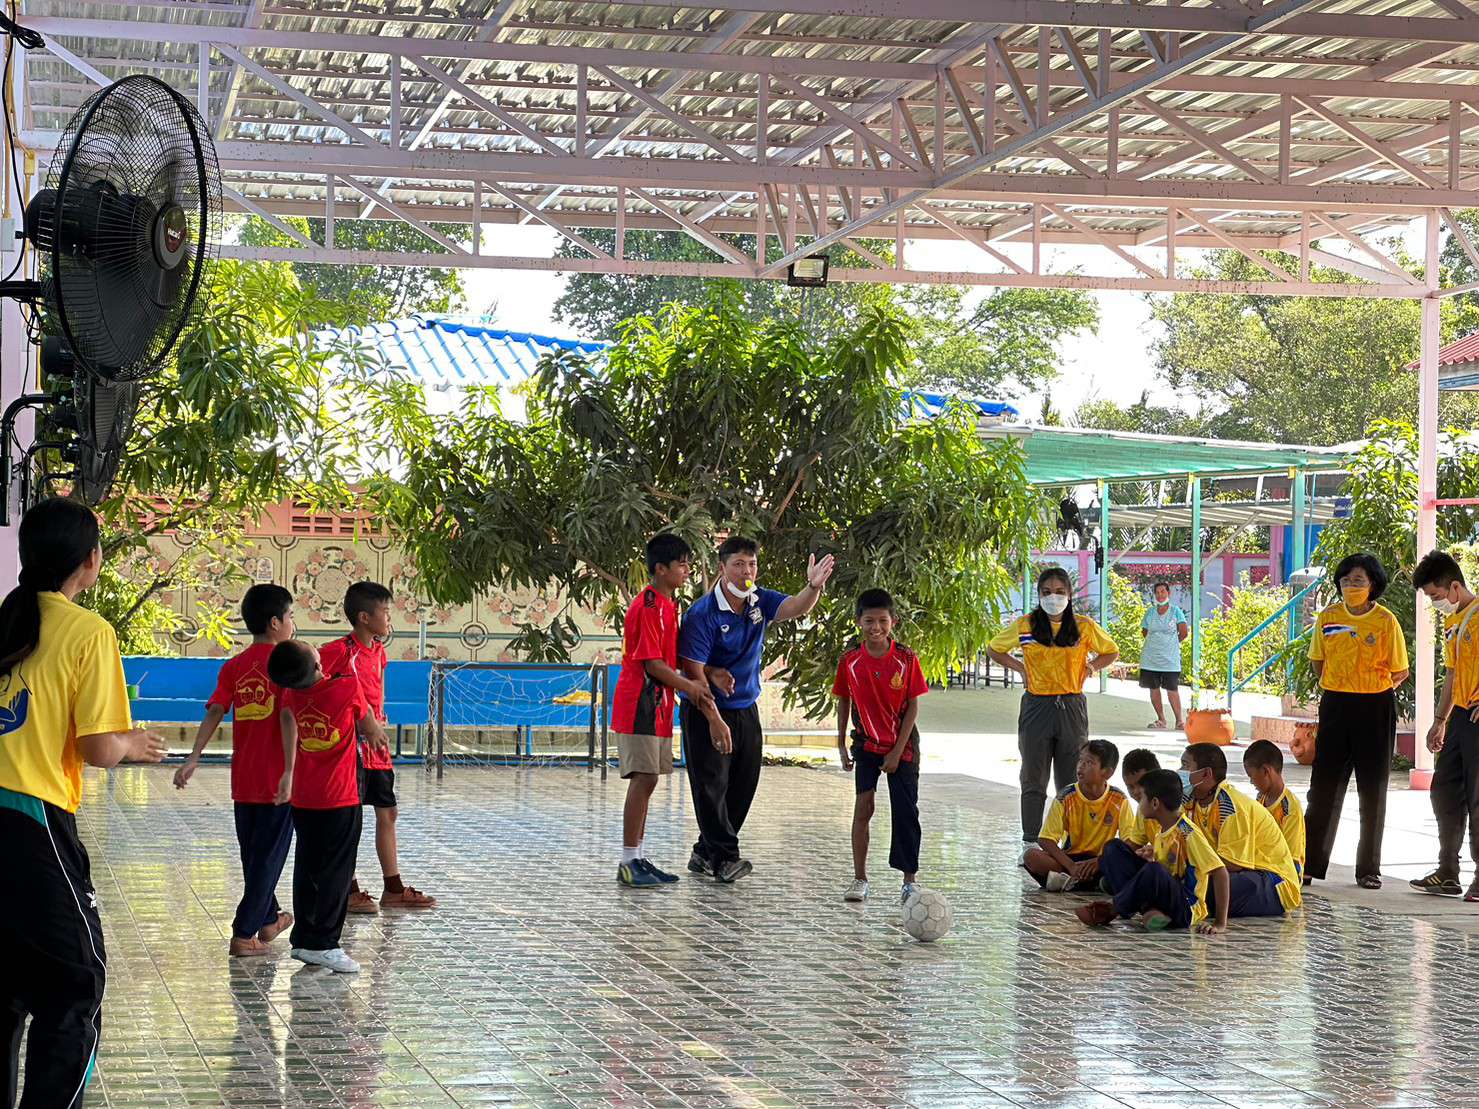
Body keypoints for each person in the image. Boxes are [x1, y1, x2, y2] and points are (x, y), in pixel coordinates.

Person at [0, 498, 167, 1106]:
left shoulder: (7, 620)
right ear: (91, 560)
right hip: (30, 818)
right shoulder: (87, 632)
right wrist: (133, 743)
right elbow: (98, 748)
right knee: (77, 982)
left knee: (8, 984)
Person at [678, 537, 835, 884]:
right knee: (710, 785)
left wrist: (813, 587)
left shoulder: (758, 600)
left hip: (745, 707)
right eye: (738, 564)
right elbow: (692, 673)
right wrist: (714, 720)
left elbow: (794, 607)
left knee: (743, 784)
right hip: (705, 709)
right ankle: (725, 858)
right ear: (722, 568)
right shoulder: (702, 614)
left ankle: (704, 852)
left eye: (751, 564)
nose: (746, 572)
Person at [174, 584, 297, 957]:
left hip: (244, 780)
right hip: (278, 779)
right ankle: (244, 934)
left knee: (255, 856)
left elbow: (215, 710)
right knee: (267, 858)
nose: (292, 624)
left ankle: (269, 919)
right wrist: (291, 771)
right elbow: (290, 717)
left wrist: (193, 756)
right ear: (275, 623)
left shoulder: (234, 667)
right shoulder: (288, 664)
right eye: (290, 617)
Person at [270, 639, 390, 974]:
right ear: (318, 666)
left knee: (308, 866)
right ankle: (324, 943)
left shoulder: (292, 694)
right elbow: (368, 725)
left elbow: (286, 718)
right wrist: (376, 731)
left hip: (305, 796)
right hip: (340, 796)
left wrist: (289, 771)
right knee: (337, 871)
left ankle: (304, 940)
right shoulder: (345, 688)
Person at [320, 581, 436, 913]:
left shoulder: (379, 651)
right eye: (385, 612)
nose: (389, 618)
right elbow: (317, 688)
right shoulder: (338, 651)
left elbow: (377, 693)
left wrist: (378, 721)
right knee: (349, 817)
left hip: (377, 747)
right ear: (364, 617)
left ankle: (393, 888)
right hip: (349, 747)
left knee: (388, 811)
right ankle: (348, 889)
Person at [612, 534, 719, 889]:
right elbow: (653, 664)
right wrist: (691, 687)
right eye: (681, 565)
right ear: (660, 569)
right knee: (643, 778)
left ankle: (638, 857)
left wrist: (706, 675)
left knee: (651, 778)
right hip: (639, 704)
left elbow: (670, 659)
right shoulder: (648, 606)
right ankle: (628, 861)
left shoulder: (668, 605)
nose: (687, 571)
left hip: (657, 705)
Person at [986, 567, 1119, 844]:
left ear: (1069, 595)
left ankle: (1070, 841)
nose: (1053, 598)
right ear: (1039, 595)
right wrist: (1020, 668)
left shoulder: (1083, 626)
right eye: (1047, 592)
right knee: (1033, 775)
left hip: (1071, 706)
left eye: (1059, 592)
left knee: (1072, 777)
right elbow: (994, 648)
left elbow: (1111, 651)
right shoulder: (1026, 625)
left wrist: (1092, 667)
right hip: (1037, 706)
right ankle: (1030, 840)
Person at [1304, 552, 1408, 890]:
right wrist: (1342, 684)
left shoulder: (1386, 621)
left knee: (1373, 789)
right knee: (1323, 787)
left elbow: (1400, 671)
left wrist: (1369, 689)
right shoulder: (1329, 617)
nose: (1351, 585)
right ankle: (1309, 864)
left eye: (1358, 580)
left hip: (1375, 707)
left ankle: (1368, 869)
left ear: (1373, 584)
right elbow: (1318, 661)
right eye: (1346, 580)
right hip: (1335, 704)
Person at [834, 589, 929, 904]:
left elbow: (913, 706)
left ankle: (909, 881)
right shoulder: (850, 661)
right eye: (869, 621)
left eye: (882, 621)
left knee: (906, 811)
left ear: (893, 622)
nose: (876, 627)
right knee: (864, 807)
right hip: (866, 744)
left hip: (903, 745)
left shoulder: (906, 658)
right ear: (858, 622)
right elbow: (843, 700)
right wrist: (841, 744)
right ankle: (860, 878)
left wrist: (897, 751)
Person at [1075, 769, 1230, 934]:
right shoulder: (1161, 828)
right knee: (1113, 848)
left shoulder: (1188, 833)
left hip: (1185, 907)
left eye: (1142, 797)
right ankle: (1149, 910)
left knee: (1154, 870)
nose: (1139, 802)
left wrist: (1220, 923)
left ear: (1155, 803)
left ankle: (1111, 909)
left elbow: (1220, 872)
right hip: (1163, 897)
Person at [1410, 551, 1479, 899]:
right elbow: (1452, 673)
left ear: (1454, 587)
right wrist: (1440, 721)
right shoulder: (1453, 622)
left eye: (1436, 596)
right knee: (1444, 790)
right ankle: (1447, 871)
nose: (1435, 603)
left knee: (1478, 796)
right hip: (1461, 717)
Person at [1180, 743, 1301, 917]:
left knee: (1209, 887)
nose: (1180, 771)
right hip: (1239, 872)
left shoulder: (1230, 806)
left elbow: (1232, 863)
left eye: (1185, 766)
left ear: (1206, 774)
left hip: (1273, 881)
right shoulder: (1189, 801)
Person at [1022, 740, 1128, 892]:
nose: (1081, 766)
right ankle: (1090, 882)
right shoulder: (1065, 796)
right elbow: (1046, 839)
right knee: (1031, 856)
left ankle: (1066, 882)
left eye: (1089, 762)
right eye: (1080, 760)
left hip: (1100, 861)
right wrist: (1071, 866)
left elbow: (1129, 841)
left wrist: (1100, 861)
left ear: (1107, 772)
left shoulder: (1119, 799)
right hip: (1069, 860)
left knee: (1128, 862)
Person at [1244, 740, 1306, 882]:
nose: (1251, 782)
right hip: (1262, 866)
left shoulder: (1290, 808)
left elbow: (1290, 858)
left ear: (1266, 771)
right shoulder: (1260, 798)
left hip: (1285, 875)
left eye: (1251, 775)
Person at [1100, 748, 1161, 892]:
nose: (1135, 792)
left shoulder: (1175, 803)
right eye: (1130, 787)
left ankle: (1128, 894)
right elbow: (1133, 845)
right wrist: (1099, 860)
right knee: (1112, 849)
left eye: (1140, 785)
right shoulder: (1142, 809)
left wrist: (1157, 851)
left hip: (1173, 869)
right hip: (1153, 867)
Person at [1139, 581, 1188, 730]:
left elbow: (1183, 633)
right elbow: (1145, 631)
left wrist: (1169, 643)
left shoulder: (1175, 611)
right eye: (1157, 592)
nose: (1160, 595)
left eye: (1163, 591)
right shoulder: (1150, 612)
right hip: (1150, 658)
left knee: (1172, 689)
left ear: (1168, 593)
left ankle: (1179, 721)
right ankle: (1161, 719)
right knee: (1153, 688)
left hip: (1170, 659)